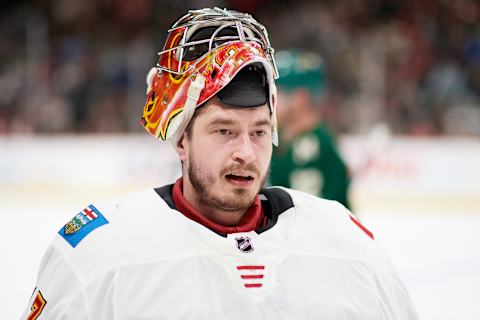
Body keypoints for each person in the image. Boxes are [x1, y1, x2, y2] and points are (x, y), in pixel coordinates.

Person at [22, 8, 418, 319]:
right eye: (224, 131)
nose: (246, 152)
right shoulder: (96, 255)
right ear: (181, 138)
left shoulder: (348, 247)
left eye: (260, 132)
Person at [269, 50, 351, 208]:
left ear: (301, 98)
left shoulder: (310, 145)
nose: (272, 98)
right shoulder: (290, 138)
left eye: (279, 91)